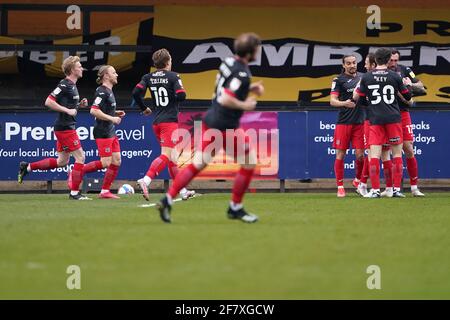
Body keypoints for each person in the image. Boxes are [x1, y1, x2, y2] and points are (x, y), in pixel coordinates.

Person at [156, 32, 264, 223]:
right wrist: (245, 105)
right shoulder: (242, 72)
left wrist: (250, 88)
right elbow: (226, 97)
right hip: (225, 126)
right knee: (249, 161)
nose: (259, 51)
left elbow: (228, 87)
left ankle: (168, 198)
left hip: (211, 120)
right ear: (250, 52)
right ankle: (235, 207)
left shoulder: (229, 62)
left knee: (198, 164)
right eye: (257, 48)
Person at [17, 56, 90, 200]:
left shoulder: (73, 85)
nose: (82, 68)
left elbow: (68, 105)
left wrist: (78, 105)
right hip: (65, 128)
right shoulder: (64, 84)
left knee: (62, 161)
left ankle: (28, 167)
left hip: (64, 127)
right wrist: (68, 110)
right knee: (81, 157)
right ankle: (74, 193)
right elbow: (48, 101)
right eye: (79, 66)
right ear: (71, 69)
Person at [132, 49, 195, 201]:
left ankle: (183, 191)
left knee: (172, 159)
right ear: (168, 62)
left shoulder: (148, 77)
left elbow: (135, 93)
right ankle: (146, 180)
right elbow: (182, 95)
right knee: (166, 156)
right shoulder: (173, 76)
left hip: (157, 121)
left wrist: (144, 108)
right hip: (169, 122)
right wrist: (171, 99)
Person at [354, 48, 412, 198]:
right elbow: (407, 96)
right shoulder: (395, 76)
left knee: (374, 155)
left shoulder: (366, 77)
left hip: (375, 119)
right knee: (397, 154)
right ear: (387, 60)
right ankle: (396, 190)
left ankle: (374, 190)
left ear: (375, 60)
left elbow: (359, 100)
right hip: (394, 118)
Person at [75, 65, 125, 199]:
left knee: (117, 161)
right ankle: (76, 172)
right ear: (106, 76)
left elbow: (102, 109)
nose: (117, 75)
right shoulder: (102, 91)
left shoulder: (108, 90)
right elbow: (93, 110)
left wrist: (115, 112)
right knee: (106, 162)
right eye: (114, 73)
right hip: (103, 131)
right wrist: (113, 118)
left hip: (110, 131)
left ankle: (104, 191)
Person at [386, 50, 426, 197]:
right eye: (391, 60)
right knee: (386, 152)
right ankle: (390, 187)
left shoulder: (406, 70)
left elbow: (421, 86)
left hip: (403, 113)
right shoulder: (382, 72)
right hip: (387, 114)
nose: (394, 63)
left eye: (396, 60)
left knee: (409, 148)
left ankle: (414, 187)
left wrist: (410, 84)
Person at [330, 55, 365, 197]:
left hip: (360, 122)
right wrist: (345, 103)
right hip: (344, 122)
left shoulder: (364, 77)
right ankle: (340, 187)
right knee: (341, 154)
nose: (352, 65)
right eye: (349, 63)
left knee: (361, 155)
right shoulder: (338, 80)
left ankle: (357, 180)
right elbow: (332, 101)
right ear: (344, 65)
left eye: (354, 63)